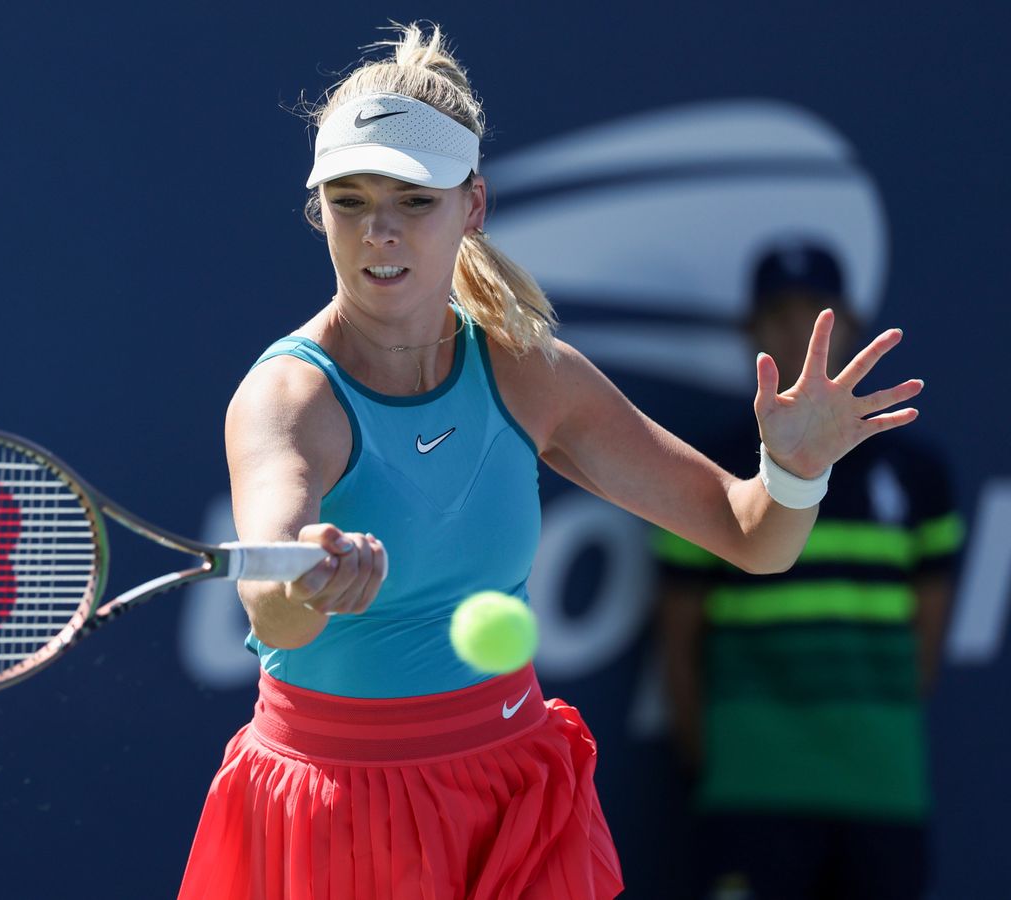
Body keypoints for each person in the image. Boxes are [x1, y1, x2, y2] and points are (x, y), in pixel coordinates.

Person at [178, 22, 922, 899]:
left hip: (513, 793)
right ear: (321, 210)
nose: (379, 230)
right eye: (349, 199)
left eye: (415, 200)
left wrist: (795, 472)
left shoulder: (529, 375)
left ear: (474, 207)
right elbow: (272, 596)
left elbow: (753, 537)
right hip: (341, 810)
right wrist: (308, 580)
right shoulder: (287, 399)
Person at [655, 242, 963, 900]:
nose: (799, 335)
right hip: (750, 787)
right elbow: (677, 639)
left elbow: (929, 634)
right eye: (780, 317)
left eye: (817, 317)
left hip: (882, 788)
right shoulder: (705, 466)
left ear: (850, 327)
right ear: (752, 335)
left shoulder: (919, 474)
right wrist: (716, 759)